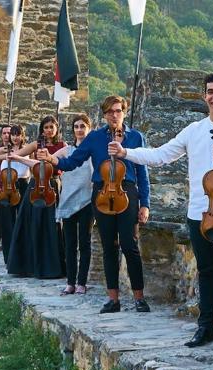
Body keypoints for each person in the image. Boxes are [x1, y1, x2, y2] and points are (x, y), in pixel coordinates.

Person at [108, 74, 213, 350]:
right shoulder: (193, 130)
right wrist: (126, 153)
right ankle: (206, 327)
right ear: (204, 96)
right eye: (211, 92)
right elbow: (160, 155)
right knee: (205, 271)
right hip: (199, 212)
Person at [39, 96, 151, 313]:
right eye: (110, 112)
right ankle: (113, 299)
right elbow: (73, 161)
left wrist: (144, 203)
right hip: (101, 192)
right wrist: (52, 160)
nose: (114, 115)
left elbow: (142, 172)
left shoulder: (136, 137)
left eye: (118, 111)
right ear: (104, 114)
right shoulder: (95, 137)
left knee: (129, 245)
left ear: (124, 112)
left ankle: (139, 297)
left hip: (127, 191)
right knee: (109, 246)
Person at [5, 116, 65, 279]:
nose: (48, 130)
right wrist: (13, 156)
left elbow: (63, 165)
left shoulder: (62, 145)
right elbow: (16, 155)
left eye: (51, 127)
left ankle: (52, 267)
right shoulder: (36, 144)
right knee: (32, 222)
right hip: (35, 185)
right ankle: (30, 265)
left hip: (53, 185)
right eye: (45, 127)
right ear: (41, 129)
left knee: (52, 225)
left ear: (56, 128)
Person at [56, 114, 94, 295]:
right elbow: (47, 160)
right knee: (69, 244)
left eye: (82, 126)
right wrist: (18, 158)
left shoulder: (94, 151)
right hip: (68, 200)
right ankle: (70, 282)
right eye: (76, 126)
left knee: (84, 243)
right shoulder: (67, 150)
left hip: (87, 201)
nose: (79, 129)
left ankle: (82, 282)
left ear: (89, 129)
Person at [0, 125, 30, 262]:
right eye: (13, 135)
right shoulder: (5, 149)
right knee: (7, 222)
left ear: (22, 136)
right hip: (7, 187)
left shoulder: (28, 149)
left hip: (22, 185)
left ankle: (23, 255)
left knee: (22, 221)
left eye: (18, 134)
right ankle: (9, 257)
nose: (15, 137)